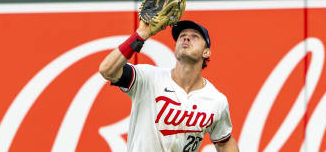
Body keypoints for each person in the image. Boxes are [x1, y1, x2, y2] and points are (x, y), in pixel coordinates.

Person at [99, 19, 239, 152]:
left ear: (206, 52)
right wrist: (139, 35)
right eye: (182, 36)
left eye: (194, 36)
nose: (186, 38)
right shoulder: (148, 78)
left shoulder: (216, 100)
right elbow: (107, 70)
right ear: (175, 47)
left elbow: (224, 141)